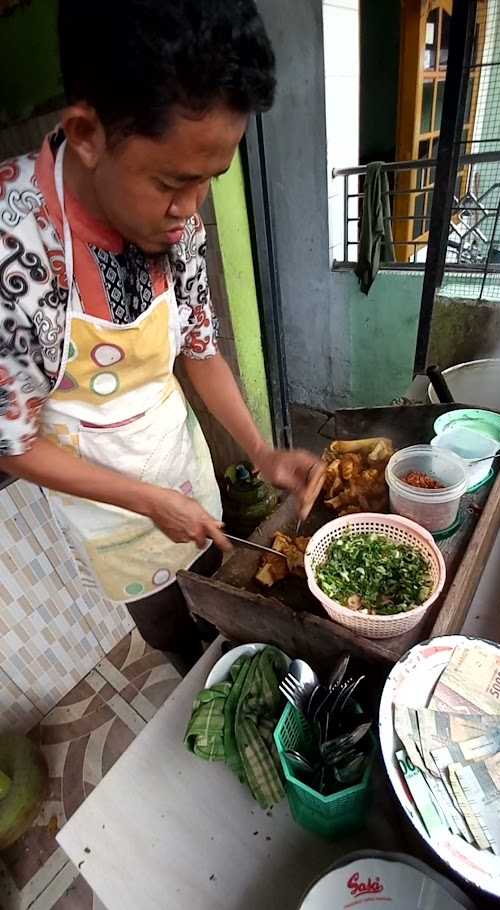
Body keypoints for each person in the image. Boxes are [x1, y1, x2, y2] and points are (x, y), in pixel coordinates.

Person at [0, 0, 319, 673]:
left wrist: (261, 451)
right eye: (172, 181)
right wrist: (145, 501)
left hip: (178, 461)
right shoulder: (15, 248)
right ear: (87, 131)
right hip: (112, 511)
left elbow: (199, 348)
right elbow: (12, 442)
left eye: (210, 180)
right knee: (169, 627)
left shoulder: (178, 225)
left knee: (221, 582)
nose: (191, 210)